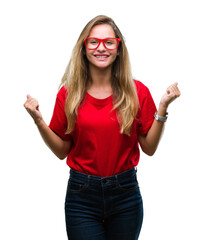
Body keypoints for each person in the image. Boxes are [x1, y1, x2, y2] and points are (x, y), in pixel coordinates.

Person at [24, 15, 180, 240]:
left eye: (109, 42)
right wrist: (39, 121)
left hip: (126, 195)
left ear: (118, 49)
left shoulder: (137, 92)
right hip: (82, 196)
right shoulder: (68, 94)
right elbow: (61, 151)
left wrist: (163, 108)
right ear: (84, 48)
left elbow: (149, 147)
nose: (101, 48)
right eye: (93, 41)